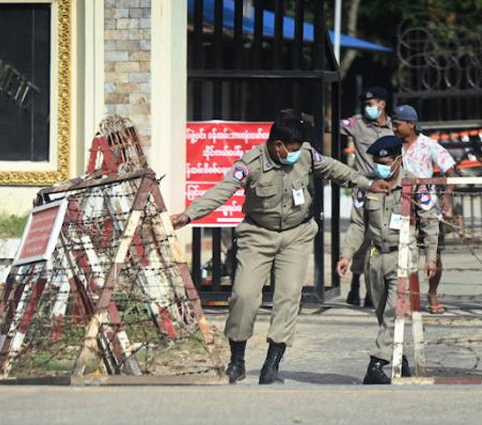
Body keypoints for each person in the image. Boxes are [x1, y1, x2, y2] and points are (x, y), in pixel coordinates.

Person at [172, 116, 390, 384]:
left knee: (288, 297)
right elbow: (222, 191)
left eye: (299, 146)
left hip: (296, 235)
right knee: (244, 295)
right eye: (292, 147)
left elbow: (336, 170)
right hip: (257, 234)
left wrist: (368, 184)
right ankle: (237, 360)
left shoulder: (307, 155)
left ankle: (271, 365)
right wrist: (189, 215)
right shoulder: (250, 164)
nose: (296, 152)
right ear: (277, 145)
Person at [337, 135, 439, 384]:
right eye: (377, 161)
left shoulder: (415, 185)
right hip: (375, 256)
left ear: (398, 160)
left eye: (385, 161)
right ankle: (399, 358)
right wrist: (346, 254)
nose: (381, 166)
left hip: (403, 254)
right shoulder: (368, 186)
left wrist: (431, 257)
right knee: (384, 313)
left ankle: (375, 365)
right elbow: (358, 224)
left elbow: (429, 222)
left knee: (395, 311)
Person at [392, 105, 456, 314]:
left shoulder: (429, 146)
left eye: (398, 124)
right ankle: (410, 297)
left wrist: (447, 196)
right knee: (405, 253)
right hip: (401, 208)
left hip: (428, 208)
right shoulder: (393, 146)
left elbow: (450, 170)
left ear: (411, 124)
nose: (394, 128)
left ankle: (432, 294)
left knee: (434, 253)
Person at [340, 86, 394, 307]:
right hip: (365, 186)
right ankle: (355, 283)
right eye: (365, 104)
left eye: (371, 104)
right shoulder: (357, 123)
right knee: (361, 236)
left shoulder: (394, 127)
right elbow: (333, 127)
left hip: (389, 189)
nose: (367, 108)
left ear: (382, 104)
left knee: (381, 237)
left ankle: (374, 291)